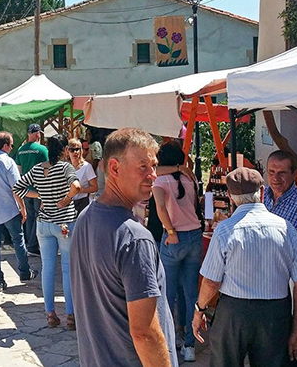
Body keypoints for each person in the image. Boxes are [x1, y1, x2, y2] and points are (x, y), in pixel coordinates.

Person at [70, 128, 177, 367]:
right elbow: (144, 333)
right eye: (143, 167)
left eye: (154, 166)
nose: (153, 175)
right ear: (115, 168)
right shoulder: (134, 238)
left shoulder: (86, 218)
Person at [193, 167, 297, 367]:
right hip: (275, 312)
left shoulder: (225, 229)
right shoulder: (286, 228)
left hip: (234, 312)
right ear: (263, 192)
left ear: (230, 196)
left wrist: (200, 309)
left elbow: (211, 281)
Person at [14, 134, 81, 329]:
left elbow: (17, 188)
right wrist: (67, 199)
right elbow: (76, 186)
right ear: (65, 150)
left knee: (47, 268)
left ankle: (50, 313)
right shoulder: (66, 167)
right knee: (67, 269)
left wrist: (40, 194)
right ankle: (70, 315)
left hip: (43, 222)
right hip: (65, 222)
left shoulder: (38, 168)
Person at [152, 141, 203, 362]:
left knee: (168, 293)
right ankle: (189, 344)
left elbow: (160, 209)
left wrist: (171, 231)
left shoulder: (160, 180)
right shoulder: (190, 179)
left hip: (174, 237)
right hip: (194, 235)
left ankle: (170, 342)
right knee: (191, 293)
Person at [0, 131, 38, 290]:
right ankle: (24, 272)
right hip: (9, 209)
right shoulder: (8, 162)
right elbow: (16, 188)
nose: (12, 148)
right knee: (18, 241)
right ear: (5, 145)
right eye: (11, 145)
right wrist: (22, 207)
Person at [265, 150, 297, 251]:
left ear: (295, 173)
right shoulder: (259, 196)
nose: (275, 178)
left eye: (282, 173)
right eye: (271, 172)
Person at [14, 123, 49, 257]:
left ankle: (29, 243)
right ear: (37, 134)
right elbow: (47, 169)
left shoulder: (21, 149)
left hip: (25, 188)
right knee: (38, 216)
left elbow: (19, 170)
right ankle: (33, 246)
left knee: (29, 216)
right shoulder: (42, 149)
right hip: (39, 188)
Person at [67, 137, 98, 215]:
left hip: (82, 203)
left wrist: (80, 190)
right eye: (72, 150)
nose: (75, 152)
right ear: (67, 151)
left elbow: (95, 187)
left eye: (77, 149)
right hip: (67, 204)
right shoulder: (65, 167)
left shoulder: (87, 167)